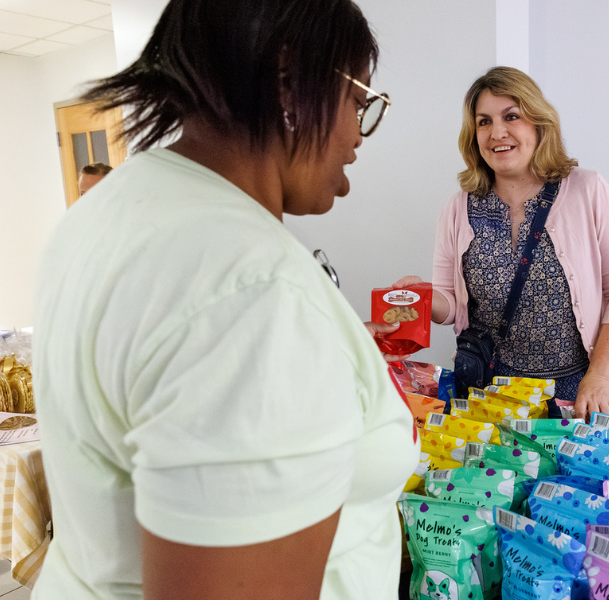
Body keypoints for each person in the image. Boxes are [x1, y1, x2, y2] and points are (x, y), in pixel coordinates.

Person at [32, 2, 417, 599]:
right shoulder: (254, 293)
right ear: (289, 83)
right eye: (359, 101)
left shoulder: (110, 208)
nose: (356, 136)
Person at [396, 66, 609, 421]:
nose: (497, 132)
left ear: (538, 123)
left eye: (511, 116)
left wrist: (599, 377)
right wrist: (420, 296)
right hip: (487, 399)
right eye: (484, 122)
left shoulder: (586, 190)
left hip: (575, 394)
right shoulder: (458, 207)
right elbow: (450, 303)